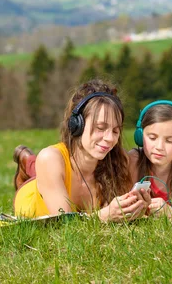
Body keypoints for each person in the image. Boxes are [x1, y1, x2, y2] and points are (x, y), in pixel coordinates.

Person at [13, 79, 150, 222]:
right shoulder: (50, 159)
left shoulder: (118, 160)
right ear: (77, 125)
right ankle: (27, 161)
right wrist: (104, 216)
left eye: (115, 131)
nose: (110, 138)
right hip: (29, 200)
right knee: (37, 168)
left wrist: (135, 209)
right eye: (101, 128)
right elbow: (63, 224)